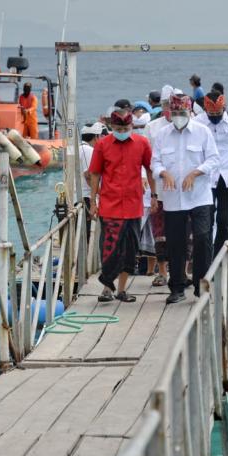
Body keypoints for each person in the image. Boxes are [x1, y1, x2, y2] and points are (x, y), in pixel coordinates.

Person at [152, 94, 219, 303]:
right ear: (169, 113)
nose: (178, 117)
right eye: (175, 113)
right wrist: (164, 173)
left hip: (199, 195)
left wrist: (195, 173)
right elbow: (155, 162)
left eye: (182, 113)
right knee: (175, 243)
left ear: (189, 112)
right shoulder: (162, 135)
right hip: (173, 198)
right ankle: (177, 287)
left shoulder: (202, 132)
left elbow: (214, 159)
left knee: (202, 238)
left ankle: (202, 286)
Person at [89, 109, 155, 303]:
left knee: (130, 248)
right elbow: (94, 174)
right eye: (118, 128)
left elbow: (150, 170)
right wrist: (93, 201)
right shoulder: (102, 145)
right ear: (112, 127)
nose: (122, 131)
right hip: (110, 204)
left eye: (125, 128)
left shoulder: (142, 143)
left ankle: (122, 289)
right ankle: (106, 288)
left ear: (132, 126)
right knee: (109, 248)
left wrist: (154, 195)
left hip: (134, 204)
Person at [196, 90, 228, 254]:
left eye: (218, 112)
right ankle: (205, 254)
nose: (215, 116)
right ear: (205, 109)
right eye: (212, 113)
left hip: (227, 175)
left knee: (225, 220)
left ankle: (219, 253)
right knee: (206, 219)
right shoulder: (198, 123)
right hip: (206, 176)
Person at [142, 85, 176, 287]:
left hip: (183, 191)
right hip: (158, 189)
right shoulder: (152, 128)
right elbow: (146, 160)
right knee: (159, 231)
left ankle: (181, 271)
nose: (170, 109)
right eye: (167, 106)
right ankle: (162, 271)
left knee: (183, 232)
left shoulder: (193, 127)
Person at [79, 122, 107, 208]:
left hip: (77, 197)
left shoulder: (78, 148)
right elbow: (88, 176)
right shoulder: (89, 150)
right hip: (86, 197)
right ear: (96, 137)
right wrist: (104, 195)